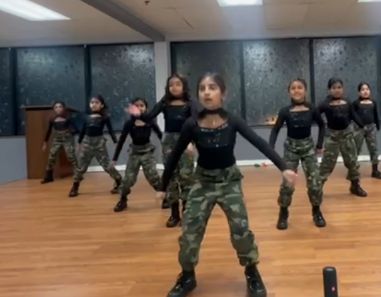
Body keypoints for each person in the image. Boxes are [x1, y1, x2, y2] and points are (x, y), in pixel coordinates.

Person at [134, 73, 297, 297]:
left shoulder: (233, 120)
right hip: (203, 181)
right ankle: (187, 276)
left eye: (212, 88)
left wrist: (283, 167)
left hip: (229, 182)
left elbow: (259, 142)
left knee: (240, 229)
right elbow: (174, 155)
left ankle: (252, 272)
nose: (207, 92)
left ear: (223, 93)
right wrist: (162, 187)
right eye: (202, 88)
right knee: (189, 230)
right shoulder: (191, 124)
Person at [138, 74, 197, 227]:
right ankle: (174, 214)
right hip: (168, 142)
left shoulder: (190, 103)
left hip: (185, 141)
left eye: (178, 84)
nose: (174, 87)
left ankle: (186, 213)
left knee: (186, 177)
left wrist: (191, 141)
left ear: (184, 86)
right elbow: (149, 116)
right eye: (171, 85)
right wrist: (138, 114)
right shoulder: (164, 103)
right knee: (171, 177)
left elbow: (196, 123)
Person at [268, 78, 326, 230]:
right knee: (287, 184)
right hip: (291, 149)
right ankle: (283, 213)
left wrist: (319, 145)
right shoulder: (285, 111)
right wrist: (270, 147)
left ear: (305, 90)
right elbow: (275, 129)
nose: (297, 90)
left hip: (308, 148)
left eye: (300, 87)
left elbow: (322, 125)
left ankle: (316, 211)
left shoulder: (312, 109)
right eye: (293, 88)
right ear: (289, 92)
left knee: (315, 183)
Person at [318, 78, 368, 197]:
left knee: (352, 162)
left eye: (339, 87)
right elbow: (315, 114)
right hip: (332, 137)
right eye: (334, 88)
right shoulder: (325, 104)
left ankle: (355, 186)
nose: (337, 90)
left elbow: (353, 115)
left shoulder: (347, 102)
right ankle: (317, 188)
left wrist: (362, 125)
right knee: (327, 163)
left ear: (343, 89)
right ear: (329, 89)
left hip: (347, 135)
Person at [113, 98, 164, 212]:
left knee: (153, 177)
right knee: (128, 180)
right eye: (137, 106)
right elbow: (121, 140)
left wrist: (167, 149)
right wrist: (115, 157)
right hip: (134, 153)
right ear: (132, 108)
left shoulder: (150, 122)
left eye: (142, 106)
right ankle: (123, 200)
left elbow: (160, 135)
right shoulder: (129, 123)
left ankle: (164, 197)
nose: (139, 108)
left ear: (146, 108)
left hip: (147, 152)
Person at [68, 95, 123, 197]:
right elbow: (83, 130)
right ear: (89, 105)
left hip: (99, 144)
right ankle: (75, 187)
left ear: (101, 105)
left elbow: (110, 130)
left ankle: (119, 182)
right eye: (92, 102)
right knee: (81, 166)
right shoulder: (86, 118)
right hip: (87, 144)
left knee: (107, 165)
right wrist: (79, 143)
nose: (94, 104)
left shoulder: (104, 118)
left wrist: (115, 141)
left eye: (97, 102)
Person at [352, 82, 381, 179]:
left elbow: (375, 114)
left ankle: (375, 170)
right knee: (356, 149)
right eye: (363, 89)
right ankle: (353, 171)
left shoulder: (373, 102)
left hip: (371, 128)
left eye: (367, 89)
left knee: (373, 149)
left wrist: (377, 124)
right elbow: (352, 116)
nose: (365, 91)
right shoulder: (356, 103)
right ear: (359, 92)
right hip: (359, 129)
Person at [40, 101, 78, 184]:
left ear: (63, 108)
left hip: (67, 138)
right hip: (57, 138)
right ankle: (48, 176)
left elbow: (76, 129)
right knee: (51, 156)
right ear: (54, 109)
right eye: (56, 107)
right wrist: (45, 142)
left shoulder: (68, 118)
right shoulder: (52, 119)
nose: (58, 109)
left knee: (70, 155)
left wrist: (78, 140)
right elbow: (49, 131)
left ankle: (78, 173)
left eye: (60, 107)